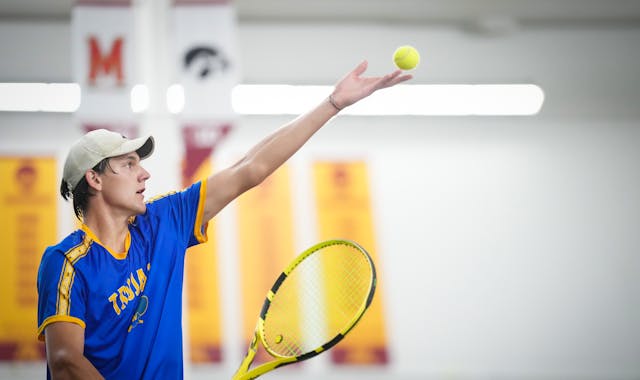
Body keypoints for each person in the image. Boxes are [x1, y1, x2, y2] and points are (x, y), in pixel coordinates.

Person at [36, 60, 412, 379]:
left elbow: (251, 167)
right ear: (95, 179)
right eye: (129, 165)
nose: (144, 174)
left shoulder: (165, 220)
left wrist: (333, 103)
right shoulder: (67, 261)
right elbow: (67, 361)